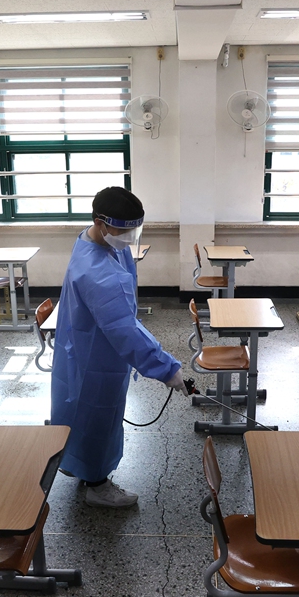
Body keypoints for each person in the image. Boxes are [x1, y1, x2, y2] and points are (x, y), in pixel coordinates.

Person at [50, 186, 189, 508]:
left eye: (134, 229)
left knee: (79, 410)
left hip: (82, 343)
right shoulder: (98, 272)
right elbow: (123, 328)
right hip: (98, 352)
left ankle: (80, 464)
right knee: (98, 415)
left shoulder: (92, 241)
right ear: (100, 222)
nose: (129, 237)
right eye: (123, 229)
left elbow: (121, 316)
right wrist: (167, 369)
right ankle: (96, 483)